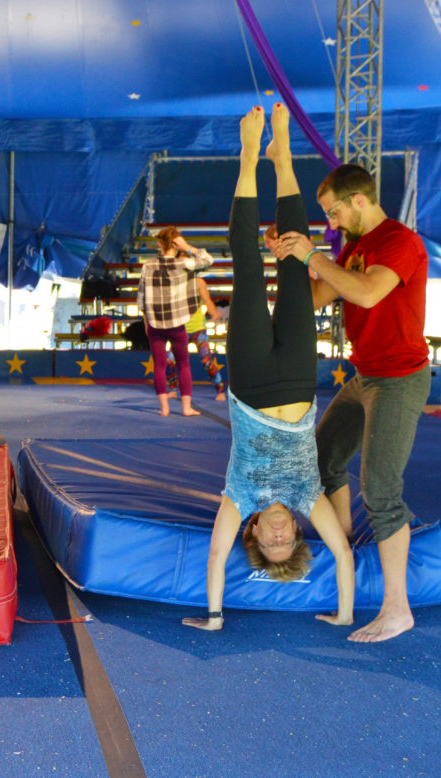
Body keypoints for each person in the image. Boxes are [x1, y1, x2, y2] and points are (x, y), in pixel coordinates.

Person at [182, 104, 354, 632]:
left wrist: (214, 616)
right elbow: (344, 557)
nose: (279, 538)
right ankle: (283, 156)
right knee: (295, 261)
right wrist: (345, 614)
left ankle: (250, 157)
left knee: (248, 264)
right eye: (287, 543)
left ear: (253, 533)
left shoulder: (240, 497)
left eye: (268, 544)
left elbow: (215, 558)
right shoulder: (309, 497)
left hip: (252, 378)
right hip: (302, 374)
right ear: (296, 534)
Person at [274, 160, 430, 644]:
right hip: (366, 376)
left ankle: (396, 608)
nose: (331, 223)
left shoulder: (400, 242)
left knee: (382, 491)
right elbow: (322, 295)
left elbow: (364, 294)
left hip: (399, 379)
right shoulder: (356, 246)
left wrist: (315, 255)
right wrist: (290, 260)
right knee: (320, 460)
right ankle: (346, 552)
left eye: (334, 213)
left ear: (358, 200)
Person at [138, 226, 214, 416]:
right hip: (178, 324)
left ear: (160, 244)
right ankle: (186, 408)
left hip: (155, 325)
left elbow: (141, 300)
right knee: (184, 364)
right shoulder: (185, 264)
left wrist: (147, 322)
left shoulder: (147, 266)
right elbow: (208, 261)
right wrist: (188, 247)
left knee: (160, 366)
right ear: (176, 244)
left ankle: (164, 408)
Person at [166, 275, 228, 401]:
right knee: (169, 359)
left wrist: (214, 313)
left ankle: (220, 391)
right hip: (180, 329)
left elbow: (207, 300)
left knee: (206, 361)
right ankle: (173, 389)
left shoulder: (199, 282)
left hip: (198, 329)